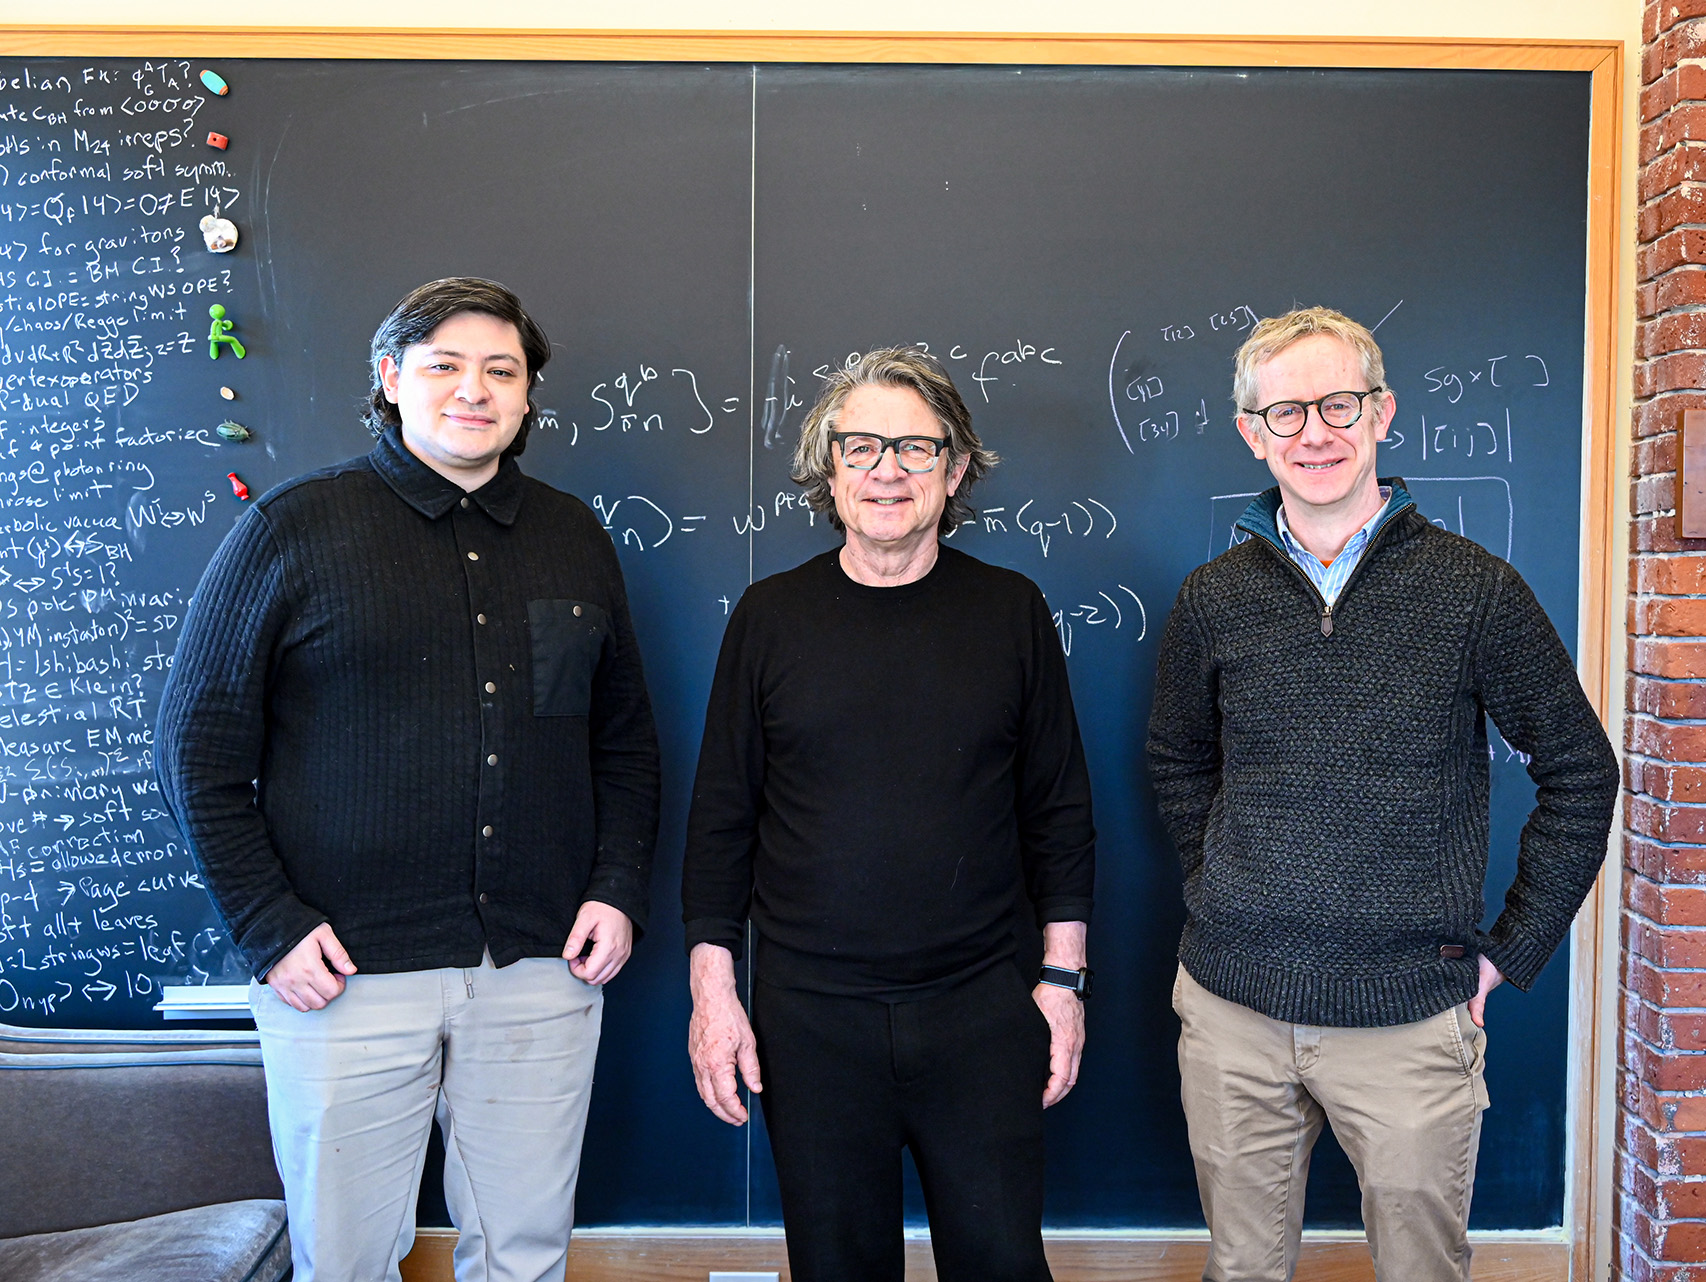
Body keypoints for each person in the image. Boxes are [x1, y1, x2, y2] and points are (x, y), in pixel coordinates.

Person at [156, 277, 661, 1282]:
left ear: (527, 399)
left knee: (522, 1253)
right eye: (444, 365)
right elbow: (195, 749)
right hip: (340, 969)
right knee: (344, 1259)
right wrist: (268, 926)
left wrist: (615, 886)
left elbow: (625, 740)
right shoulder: (292, 529)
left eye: (500, 371)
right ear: (391, 379)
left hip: (540, 962)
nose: (472, 389)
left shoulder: (573, 536)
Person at [1146, 306, 1617, 1282]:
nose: (1313, 431)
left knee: (1422, 1272)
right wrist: (1219, 887)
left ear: (1381, 412)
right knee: (1241, 1271)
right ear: (1251, 430)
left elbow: (1581, 771)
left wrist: (1512, 949)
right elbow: (1178, 761)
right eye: (1285, 411)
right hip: (1234, 1008)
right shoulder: (1213, 598)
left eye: (1337, 403)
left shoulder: (1474, 591)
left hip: (1410, 1016)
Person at [682, 347, 1096, 1282]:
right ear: (828, 467)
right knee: (836, 1268)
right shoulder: (769, 617)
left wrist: (1062, 986)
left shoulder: (1011, 612)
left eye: (916, 449)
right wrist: (715, 997)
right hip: (810, 1019)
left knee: (1000, 1265)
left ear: (955, 472)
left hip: (982, 1009)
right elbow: (719, 821)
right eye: (862, 446)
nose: (887, 470)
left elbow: (1059, 814)